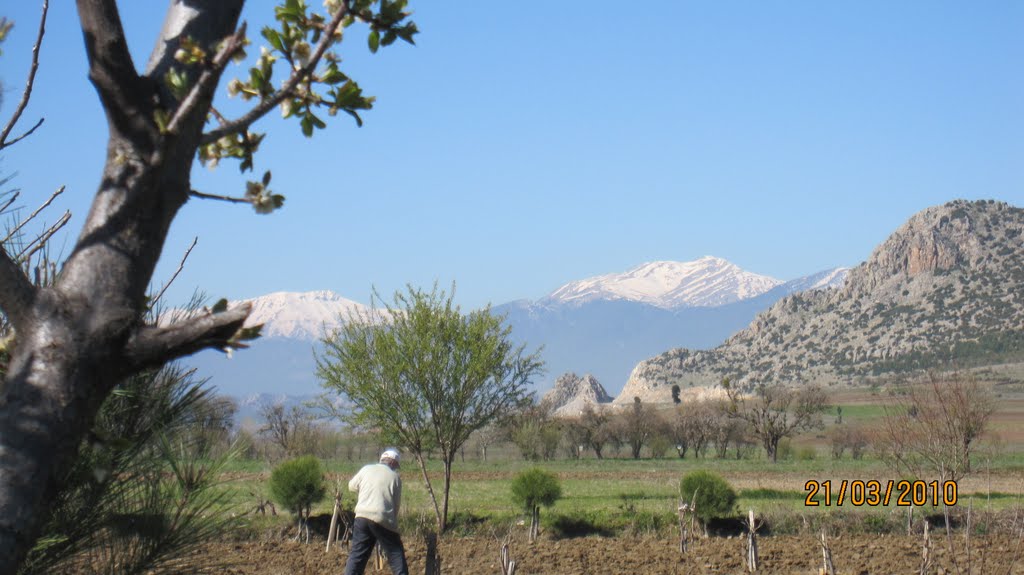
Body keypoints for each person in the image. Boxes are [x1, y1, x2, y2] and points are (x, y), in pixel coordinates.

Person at [344, 448, 409, 575]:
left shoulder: (366, 469)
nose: (396, 468)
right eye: (396, 465)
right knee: (396, 554)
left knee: (357, 556)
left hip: (361, 517)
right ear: (393, 463)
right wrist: (392, 525)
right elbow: (396, 505)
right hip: (382, 518)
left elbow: (351, 486)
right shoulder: (395, 478)